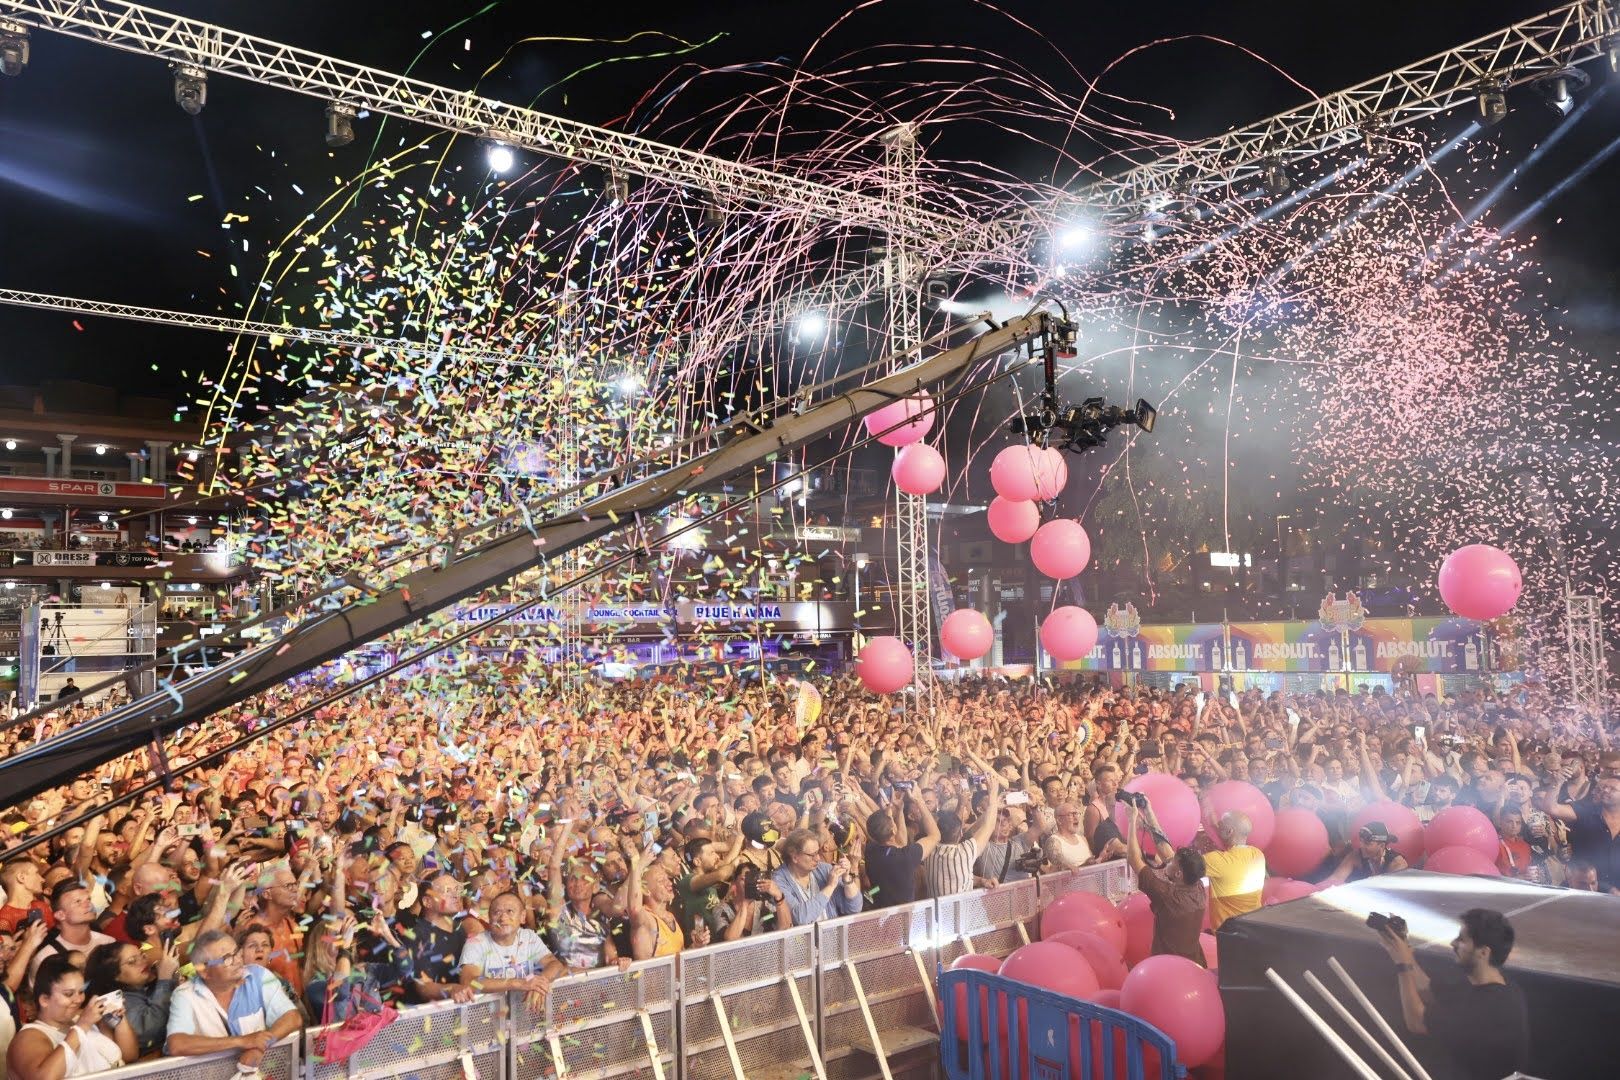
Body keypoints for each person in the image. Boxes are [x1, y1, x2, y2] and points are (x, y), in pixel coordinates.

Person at [1376, 908, 1530, 1080]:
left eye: (1461, 939)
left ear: (1483, 952)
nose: (1453, 943)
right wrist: (1402, 947)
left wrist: (1403, 964)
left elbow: (1416, 1022)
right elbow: (1427, 989)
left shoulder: (1491, 1006)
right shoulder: (1491, 984)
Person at [166, 928, 303, 1070]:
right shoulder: (185, 995)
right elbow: (177, 1044)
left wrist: (259, 1046)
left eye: (237, 952)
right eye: (227, 958)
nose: (237, 960)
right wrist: (242, 1041)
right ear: (204, 971)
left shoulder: (258, 976)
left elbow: (292, 1017)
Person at [7, 954, 137, 1078]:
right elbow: (44, 1077)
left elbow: (129, 1057)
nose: (79, 999)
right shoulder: (29, 1036)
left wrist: (119, 1020)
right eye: (69, 994)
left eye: (81, 992)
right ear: (44, 1000)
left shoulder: (84, 1020)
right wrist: (82, 1026)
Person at [1123, 800, 1208, 966]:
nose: (1168, 861)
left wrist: (1132, 821)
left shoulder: (1167, 895)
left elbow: (1133, 859)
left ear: (1178, 874)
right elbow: (1165, 849)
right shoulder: (1197, 885)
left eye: (1172, 862)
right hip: (1194, 964)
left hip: (1169, 966)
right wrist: (1148, 811)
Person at [459, 892, 567, 1008]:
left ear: (522, 917)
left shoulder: (528, 937)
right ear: (489, 918)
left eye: (510, 911)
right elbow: (469, 982)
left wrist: (539, 983)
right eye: (497, 912)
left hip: (524, 1012)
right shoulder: (476, 942)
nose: (503, 918)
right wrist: (518, 983)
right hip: (487, 1016)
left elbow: (554, 964)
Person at [83, 938, 180, 1058]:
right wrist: (165, 979)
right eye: (132, 961)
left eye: (141, 955)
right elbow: (150, 1031)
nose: (142, 961)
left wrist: (171, 976)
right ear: (115, 975)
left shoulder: (144, 986)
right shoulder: (117, 1002)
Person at [393, 871, 475, 1005]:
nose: (455, 895)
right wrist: (452, 989)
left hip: (460, 1009)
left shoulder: (460, 929)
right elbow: (424, 987)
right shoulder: (416, 936)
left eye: (456, 889)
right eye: (447, 891)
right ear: (427, 902)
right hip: (427, 1014)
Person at [1539, 774, 1620, 893]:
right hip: (1584, 887)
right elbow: (1551, 808)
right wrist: (1557, 783)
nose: (1605, 790)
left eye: (1612, 789)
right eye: (1604, 787)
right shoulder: (1585, 810)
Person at [771, 829, 862, 925]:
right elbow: (799, 918)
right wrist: (830, 887)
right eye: (812, 855)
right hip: (803, 935)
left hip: (832, 933)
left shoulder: (824, 869)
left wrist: (847, 879)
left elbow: (854, 908)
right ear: (795, 857)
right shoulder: (779, 880)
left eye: (818, 852)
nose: (818, 858)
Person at [863, 793, 938, 908]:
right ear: (893, 831)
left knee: (875, 890)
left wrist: (900, 811)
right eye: (892, 821)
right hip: (902, 915)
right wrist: (919, 801)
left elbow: (901, 843)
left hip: (879, 904)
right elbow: (935, 835)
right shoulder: (906, 857)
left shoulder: (870, 850)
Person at [28, 881, 115, 980]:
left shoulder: (109, 943)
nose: (88, 904)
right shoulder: (47, 958)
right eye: (78, 902)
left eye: (88, 899)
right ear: (60, 915)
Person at [1201, 812, 1266, 930]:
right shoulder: (1258, 854)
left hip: (1227, 933)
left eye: (1221, 823)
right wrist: (1216, 827)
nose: (1218, 824)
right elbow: (1233, 851)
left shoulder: (1216, 860)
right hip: (1253, 927)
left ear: (1230, 832)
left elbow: (1180, 865)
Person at [1325, 822, 1410, 884]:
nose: (1361, 846)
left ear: (1381, 845)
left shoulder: (1397, 864)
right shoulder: (1356, 855)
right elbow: (1335, 879)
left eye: (1367, 843)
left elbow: (1389, 893)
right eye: (1361, 841)